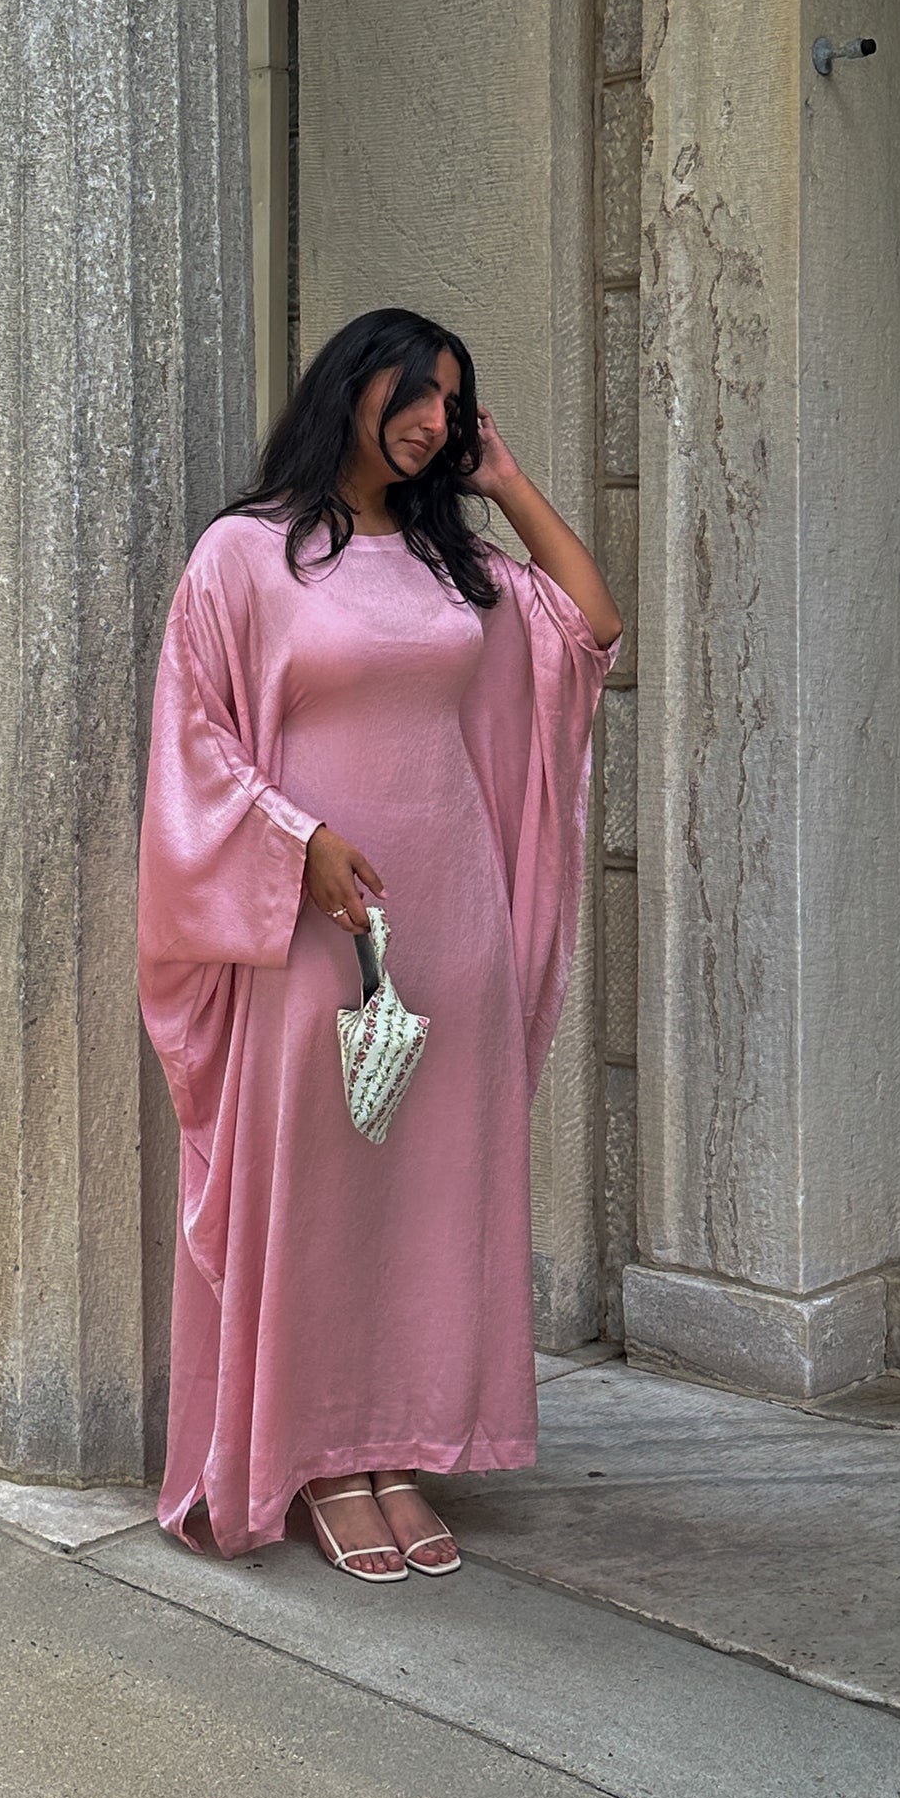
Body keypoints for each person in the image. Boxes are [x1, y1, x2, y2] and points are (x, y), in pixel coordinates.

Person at [136, 307, 621, 1579]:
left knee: (425, 1190)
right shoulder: (246, 557)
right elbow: (195, 742)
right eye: (413, 394)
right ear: (348, 389)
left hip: (450, 917)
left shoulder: (452, 570)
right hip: (315, 923)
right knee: (320, 1188)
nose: (430, 422)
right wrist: (296, 843)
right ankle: (314, 1454)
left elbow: (591, 628)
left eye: (452, 407)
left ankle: (393, 1447)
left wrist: (503, 481)